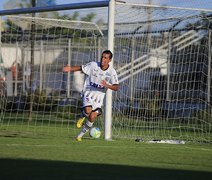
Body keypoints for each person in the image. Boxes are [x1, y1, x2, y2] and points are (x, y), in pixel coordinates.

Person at [63, 50, 119, 141]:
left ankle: (79, 136)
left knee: (92, 117)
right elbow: (81, 68)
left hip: (99, 99)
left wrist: (107, 85)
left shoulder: (112, 72)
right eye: (102, 56)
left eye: (105, 58)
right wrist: (70, 68)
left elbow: (116, 87)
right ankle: (82, 115)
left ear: (110, 60)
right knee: (88, 111)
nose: (102, 59)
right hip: (88, 93)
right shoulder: (93, 65)